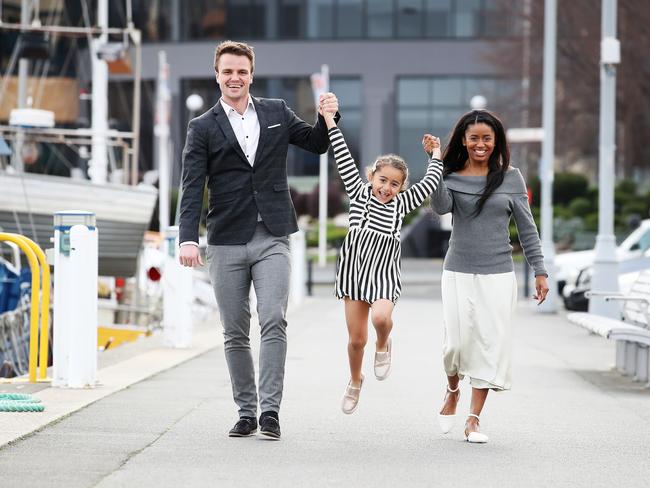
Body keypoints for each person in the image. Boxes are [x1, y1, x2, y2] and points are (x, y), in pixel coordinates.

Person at [178, 40, 339, 440]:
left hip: (273, 235)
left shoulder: (276, 112)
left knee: (274, 320)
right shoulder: (201, 127)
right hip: (226, 239)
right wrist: (187, 238)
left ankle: (270, 412)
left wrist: (327, 117)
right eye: (228, 71)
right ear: (217, 75)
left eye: (242, 71)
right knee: (234, 331)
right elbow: (192, 185)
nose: (235, 78)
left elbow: (317, 144)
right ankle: (245, 411)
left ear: (252, 74)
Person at [424, 109, 549, 444]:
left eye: (487, 138)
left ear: (496, 142)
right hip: (458, 270)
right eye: (474, 138)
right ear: (463, 141)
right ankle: (452, 390)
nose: (481, 144)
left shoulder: (511, 178)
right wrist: (436, 162)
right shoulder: (450, 175)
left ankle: (474, 419)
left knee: (488, 345)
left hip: (498, 274)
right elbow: (439, 207)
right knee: (456, 345)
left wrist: (540, 271)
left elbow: (527, 229)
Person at [320, 104, 444, 414]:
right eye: (382, 180)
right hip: (353, 271)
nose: (386, 188)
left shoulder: (401, 205)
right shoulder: (358, 191)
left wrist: (435, 155)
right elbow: (342, 153)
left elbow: (429, 184)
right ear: (372, 176)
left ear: (401, 187)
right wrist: (328, 121)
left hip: (383, 273)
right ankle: (354, 379)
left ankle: (384, 342)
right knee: (355, 341)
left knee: (380, 319)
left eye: (394, 184)